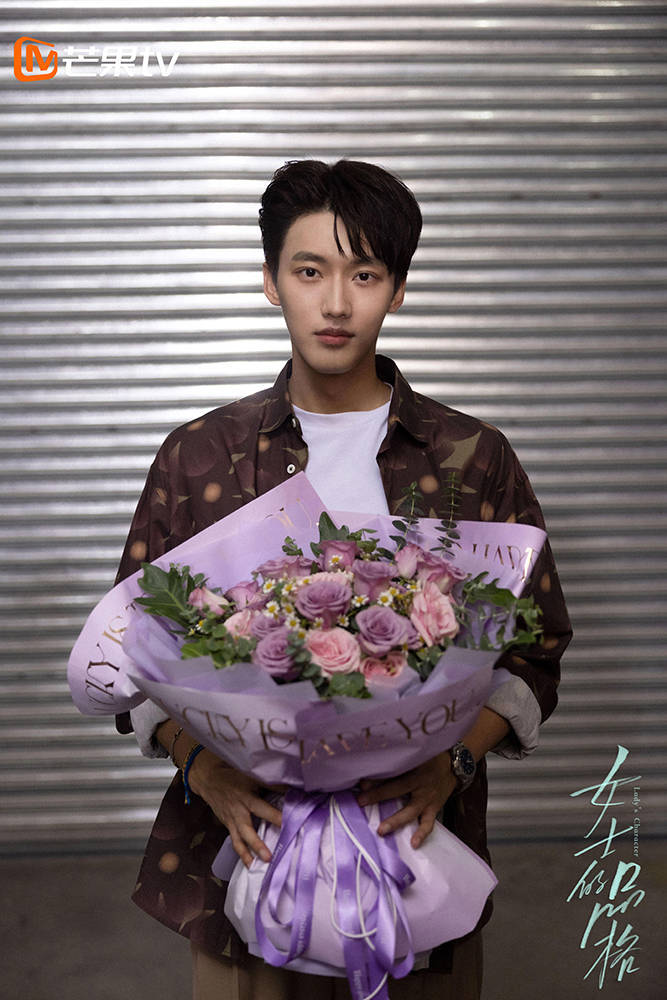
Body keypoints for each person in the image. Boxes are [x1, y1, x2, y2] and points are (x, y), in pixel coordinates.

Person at [114, 159, 572, 1000]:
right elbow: (133, 650)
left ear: (396, 289)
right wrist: (202, 767)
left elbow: (530, 651)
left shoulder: (472, 457)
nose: (334, 303)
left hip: (415, 859)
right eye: (308, 271)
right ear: (269, 281)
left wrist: (451, 765)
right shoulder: (202, 456)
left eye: (363, 275)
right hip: (241, 857)